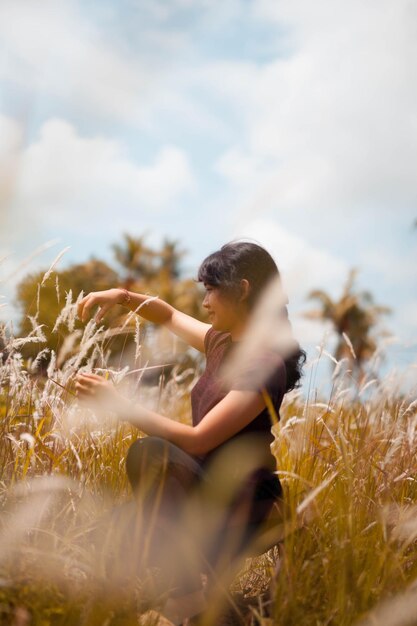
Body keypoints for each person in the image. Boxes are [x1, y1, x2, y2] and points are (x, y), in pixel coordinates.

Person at [75, 240, 306, 624]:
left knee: (149, 452)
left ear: (243, 289)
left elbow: (201, 440)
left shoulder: (265, 365)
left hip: (241, 505)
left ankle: (190, 602)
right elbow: (166, 315)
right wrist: (121, 295)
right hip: (200, 488)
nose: (205, 302)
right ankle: (197, 592)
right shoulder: (220, 342)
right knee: (113, 529)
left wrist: (121, 406)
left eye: (211, 289)